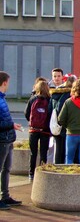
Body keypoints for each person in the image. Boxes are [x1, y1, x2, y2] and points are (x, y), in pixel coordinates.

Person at [0, 71, 22, 210]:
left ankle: (5, 196)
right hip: (2, 139)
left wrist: (11, 126)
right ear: (4, 83)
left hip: (7, 138)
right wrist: (10, 125)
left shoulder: (3, 98)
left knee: (6, 169)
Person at [24, 81, 51, 181]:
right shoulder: (49, 100)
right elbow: (51, 114)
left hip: (33, 130)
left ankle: (31, 174)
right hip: (45, 130)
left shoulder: (32, 99)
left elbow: (26, 113)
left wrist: (32, 122)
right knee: (44, 152)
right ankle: (42, 173)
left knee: (33, 152)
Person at [48, 69, 72, 164]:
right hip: (59, 125)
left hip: (62, 125)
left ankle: (59, 168)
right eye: (54, 76)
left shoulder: (67, 92)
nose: (56, 78)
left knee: (60, 148)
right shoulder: (53, 92)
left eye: (58, 76)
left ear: (62, 77)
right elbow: (50, 110)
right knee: (60, 149)